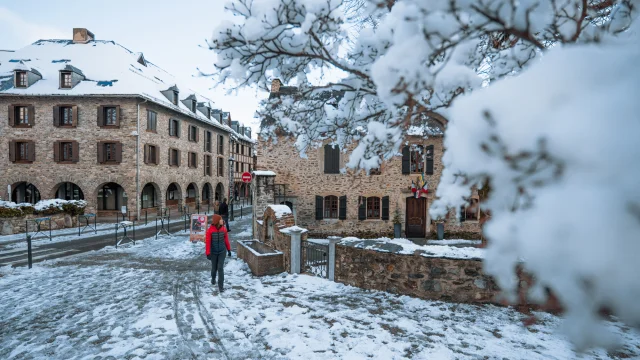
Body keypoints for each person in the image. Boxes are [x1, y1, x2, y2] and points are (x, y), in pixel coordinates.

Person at [205, 214, 231, 292]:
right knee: (214, 268)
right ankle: (213, 278)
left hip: (222, 252)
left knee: (220, 268)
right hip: (213, 252)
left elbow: (226, 240)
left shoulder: (224, 229)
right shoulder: (210, 230)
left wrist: (229, 249)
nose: (222, 220)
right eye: (220, 219)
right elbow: (208, 242)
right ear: (217, 221)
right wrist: (208, 253)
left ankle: (221, 286)